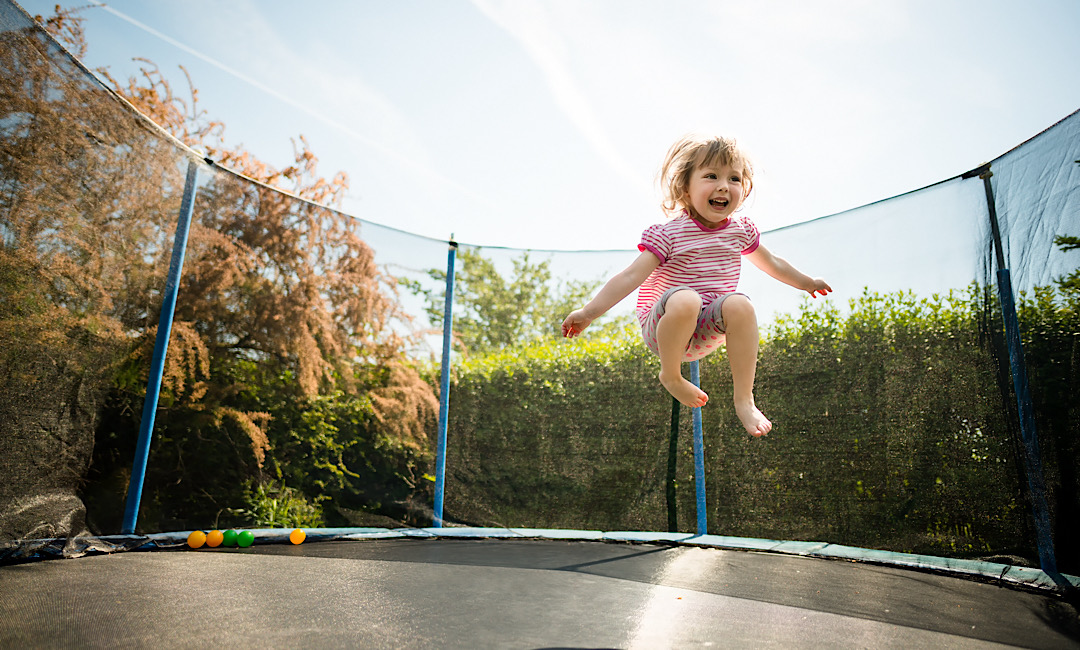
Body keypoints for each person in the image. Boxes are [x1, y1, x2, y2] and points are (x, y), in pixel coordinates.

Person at [562, 135, 831, 437]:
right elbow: (630, 276)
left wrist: (806, 282)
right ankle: (671, 375)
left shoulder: (740, 232)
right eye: (711, 176)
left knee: (740, 303)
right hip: (663, 328)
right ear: (685, 188)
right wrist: (588, 312)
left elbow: (773, 263)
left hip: (706, 331)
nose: (723, 186)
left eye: (734, 178)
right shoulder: (670, 234)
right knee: (686, 299)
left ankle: (744, 398)